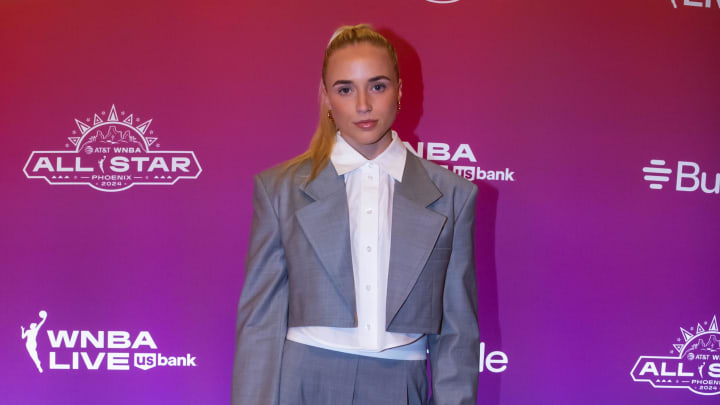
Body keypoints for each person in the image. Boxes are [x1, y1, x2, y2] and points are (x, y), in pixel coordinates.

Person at [232, 24, 479, 405]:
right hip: (301, 382)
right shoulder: (279, 189)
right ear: (328, 98)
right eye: (345, 89)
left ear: (400, 91)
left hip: (400, 384)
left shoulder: (452, 196)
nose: (363, 104)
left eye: (377, 86)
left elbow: (457, 332)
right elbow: (260, 322)